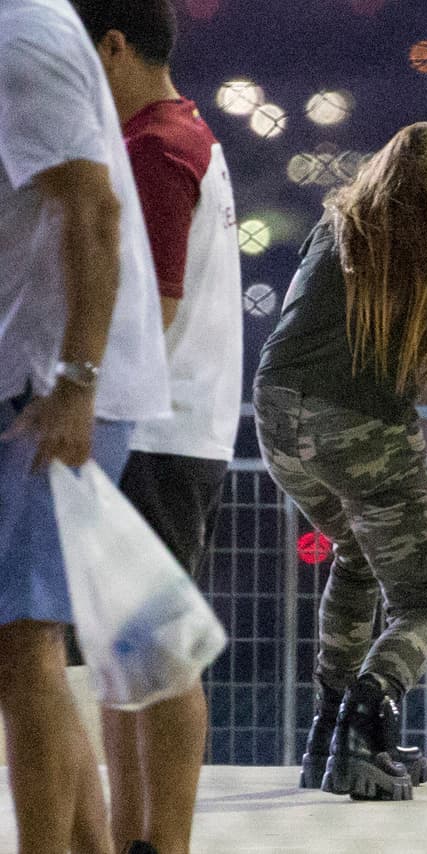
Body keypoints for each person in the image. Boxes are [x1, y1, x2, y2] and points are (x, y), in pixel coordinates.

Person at [254, 120, 427, 801]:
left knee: (354, 555)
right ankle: (363, 722)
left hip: (275, 412)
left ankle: (329, 734)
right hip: (360, 422)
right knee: (424, 602)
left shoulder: (344, 221)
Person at [69, 1, 243, 851]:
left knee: (160, 656)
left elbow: (157, 306)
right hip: (175, 429)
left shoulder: (156, 149)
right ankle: (140, 837)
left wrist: (77, 390)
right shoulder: (185, 133)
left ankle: (162, 841)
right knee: (126, 655)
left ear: (114, 45)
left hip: (156, 431)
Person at [0, 0, 170, 850]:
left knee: (27, 638)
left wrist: (77, 380)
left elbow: (94, 209)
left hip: (53, 383)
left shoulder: (19, 32)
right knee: (23, 643)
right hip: (40, 376)